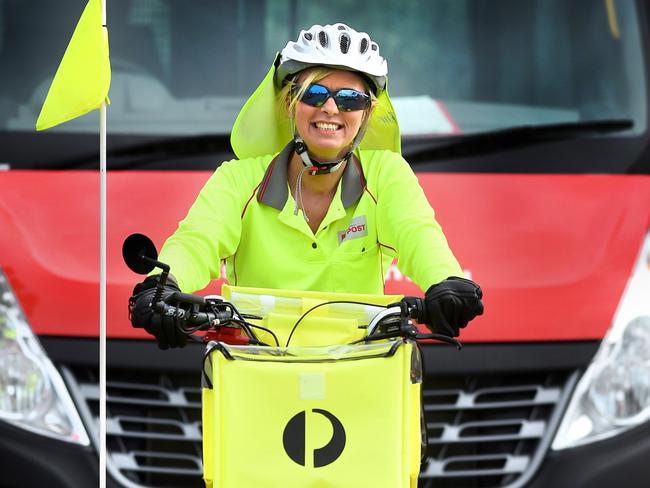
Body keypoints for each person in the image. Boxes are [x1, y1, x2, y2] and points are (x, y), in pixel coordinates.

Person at [130, 23, 483, 349]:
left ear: (367, 114)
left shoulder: (387, 174)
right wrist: (165, 285)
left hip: (364, 372)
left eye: (350, 99)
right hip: (252, 372)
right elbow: (195, 241)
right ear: (289, 102)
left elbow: (419, 235)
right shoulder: (237, 180)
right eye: (315, 93)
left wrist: (446, 281)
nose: (330, 108)